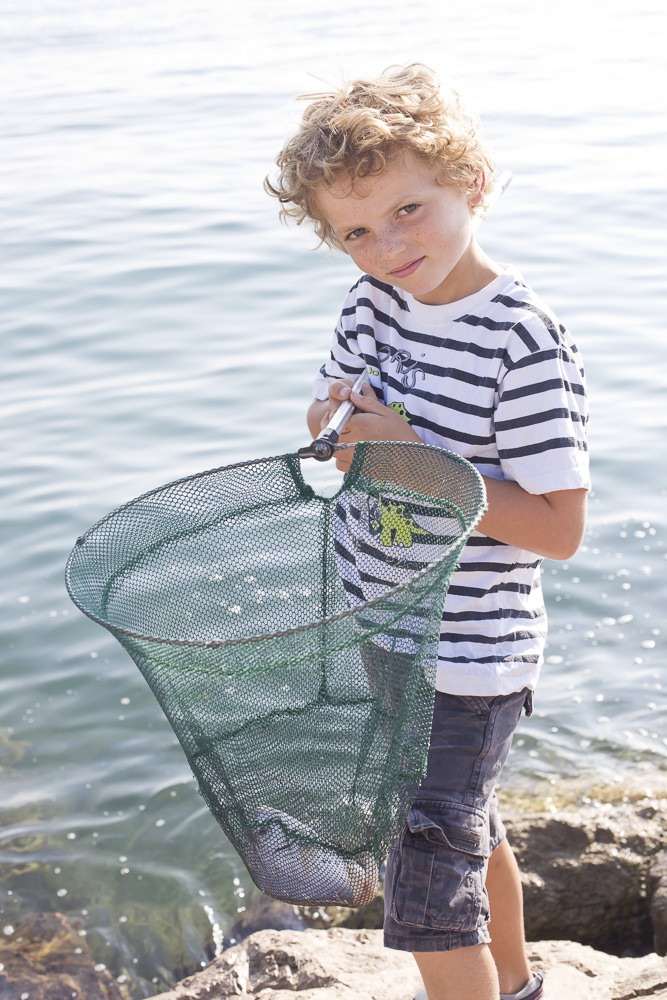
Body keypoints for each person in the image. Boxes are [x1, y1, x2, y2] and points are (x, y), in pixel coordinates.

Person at [265, 63, 590, 1000]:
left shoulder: (520, 341)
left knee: (424, 883)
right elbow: (328, 416)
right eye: (355, 230)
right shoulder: (372, 306)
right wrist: (332, 420)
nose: (386, 245)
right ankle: (519, 986)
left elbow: (557, 529)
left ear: (472, 186)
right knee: (461, 825)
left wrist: (411, 461)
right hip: (387, 624)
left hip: (472, 655)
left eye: (409, 209)